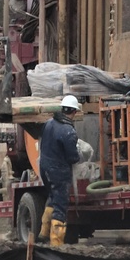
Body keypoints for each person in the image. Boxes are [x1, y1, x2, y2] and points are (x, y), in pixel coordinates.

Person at [38, 93, 82, 247]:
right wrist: (79, 154)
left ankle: (43, 233)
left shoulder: (48, 123)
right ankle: (56, 244)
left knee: (52, 196)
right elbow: (73, 158)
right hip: (58, 172)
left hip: (44, 168)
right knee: (60, 205)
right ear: (74, 112)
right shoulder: (68, 131)